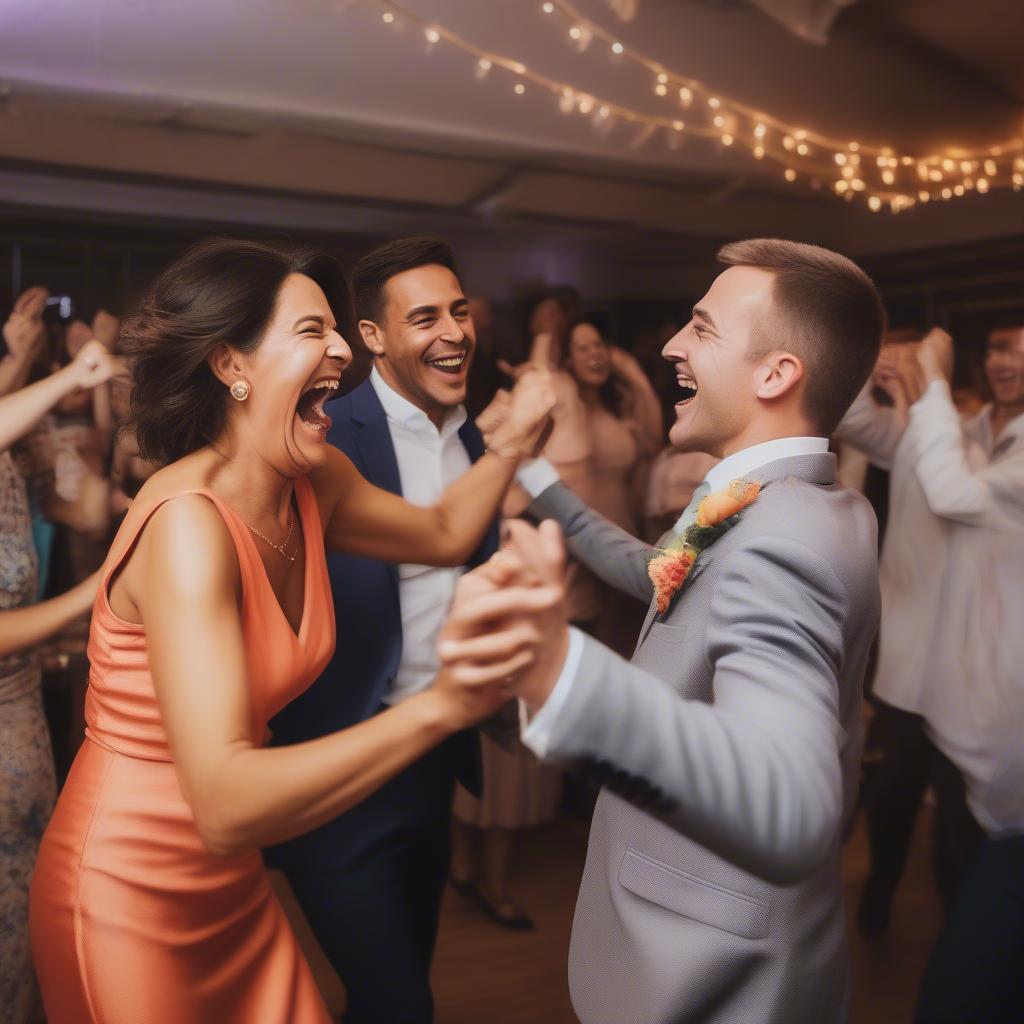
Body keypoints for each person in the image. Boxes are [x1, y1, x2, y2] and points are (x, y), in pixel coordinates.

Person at [27, 237, 557, 1024]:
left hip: (229, 879)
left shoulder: (317, 480)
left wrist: (512, 443)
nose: (343, 346)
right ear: (232, 366)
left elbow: (444, 531)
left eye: (336, 329)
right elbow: (224, 800)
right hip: (127, 887)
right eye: (313, 331)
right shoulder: (187, 524)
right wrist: (445, 704)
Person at [448, 238, 885, 1024]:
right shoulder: (798, 498)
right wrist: (538, 480)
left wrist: (560, 670)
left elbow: (794, 801)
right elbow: (665, 576)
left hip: (710, 976)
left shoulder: (783, 532)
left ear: (776, 374)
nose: (672, 346)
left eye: (702, 329)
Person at [265, 236, 504, 1023]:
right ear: (372, 337)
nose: (454, 332)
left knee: (399, 984)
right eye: (427, 316)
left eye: (460, 312)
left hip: (433, 759)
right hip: (338, 763)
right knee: (400, 1002)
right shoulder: (320, 435)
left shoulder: (475, 440)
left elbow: (468, 566)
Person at [835, 329, 985, 934]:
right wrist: (874, 367)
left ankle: (965, 929)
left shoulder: (978, 452)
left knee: (959, 814)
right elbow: (852, 420)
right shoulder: (911, 441)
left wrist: (930, 387)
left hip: (969, 672)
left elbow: (953, 481)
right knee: (893, 797)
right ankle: (880, 891)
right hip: (904, 665)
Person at [0, 332, 124, 1024]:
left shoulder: (17, 451)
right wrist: (94, 592)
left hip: (19, 730)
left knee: (25, 918)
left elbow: (84, 498)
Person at [903, 327, 1024, 1023]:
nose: (1006, 361)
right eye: (999, 348)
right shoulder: (974, 429)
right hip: (970, 703)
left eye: (1022, 349)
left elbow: (949, 492)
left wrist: (935, 385)